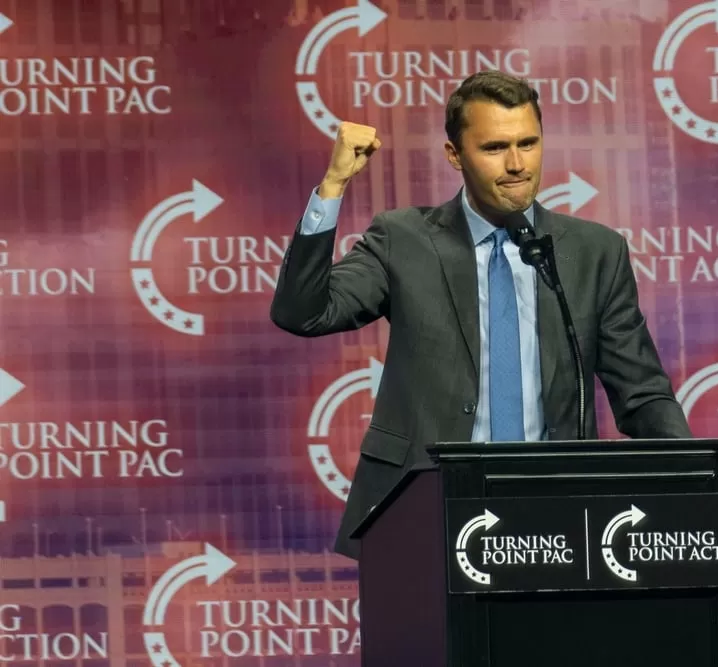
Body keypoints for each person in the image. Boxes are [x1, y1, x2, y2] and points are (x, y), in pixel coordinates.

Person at [270, 70, 692, 561]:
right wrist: (333, 184)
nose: (516, 164)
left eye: (528, 143)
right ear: (455, 155)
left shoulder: (595, 251)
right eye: (494, 148)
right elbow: (305, 313)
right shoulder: (403, 239)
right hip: (423, 512)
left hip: (555, 521)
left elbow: (641, 392)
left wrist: (700, 483)